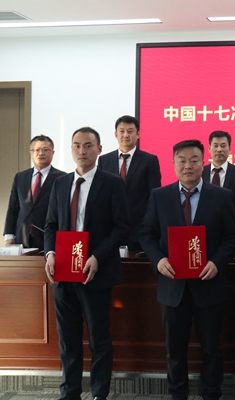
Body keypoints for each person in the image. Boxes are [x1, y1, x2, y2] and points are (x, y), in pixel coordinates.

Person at [139, 139, 235, 400]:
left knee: (212, 350)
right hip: (173, 287)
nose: (188, 165)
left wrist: (216, 262)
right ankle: (178, 395)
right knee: (175, 350)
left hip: (209, 285)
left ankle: (212, 394)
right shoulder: (159, 196)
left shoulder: (222, 196)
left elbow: (233, 237)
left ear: (203, 163)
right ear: (173, 164)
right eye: (182, 160)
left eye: (194, 160)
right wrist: (158, 260)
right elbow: (147, 235)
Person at [44, 127, 129, 400]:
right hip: (63, 273)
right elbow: (51, 225)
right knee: (68, 339)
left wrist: (97, 257)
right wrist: (50, 254)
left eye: (88, 146)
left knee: (98, 339)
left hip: (96, 273)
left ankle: (99, 394)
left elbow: (121, 227)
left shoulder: (112, 183)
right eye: (77, 145)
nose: (82, 151)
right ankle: (69, 393)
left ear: (99, 150)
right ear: (71, 149)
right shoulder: (60, 183)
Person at [98, 115, 161, 251]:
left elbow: (153, 196)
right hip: (110, 230)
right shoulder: (104, 160)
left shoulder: (149, 160)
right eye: (122, 131)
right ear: (116, 134)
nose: (125, 135)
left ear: (138, 134)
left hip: (139, 229)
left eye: (130, 131)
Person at [4, 135, 65, 249]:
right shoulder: (20, 177)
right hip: (22, 237)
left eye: (45, 150)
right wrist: (9, 235)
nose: (41, 153)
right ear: (30, 153)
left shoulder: (62, 178)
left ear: (53, 153)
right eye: (37, 150)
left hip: (49, 238)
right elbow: (13, 207)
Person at [201, 130, 235, 235]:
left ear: (229, 149)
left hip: (232, 232)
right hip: (204, 232)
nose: (219, 149)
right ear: (209, 148)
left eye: (223, 146)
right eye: (215, 145)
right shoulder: (200, 173)